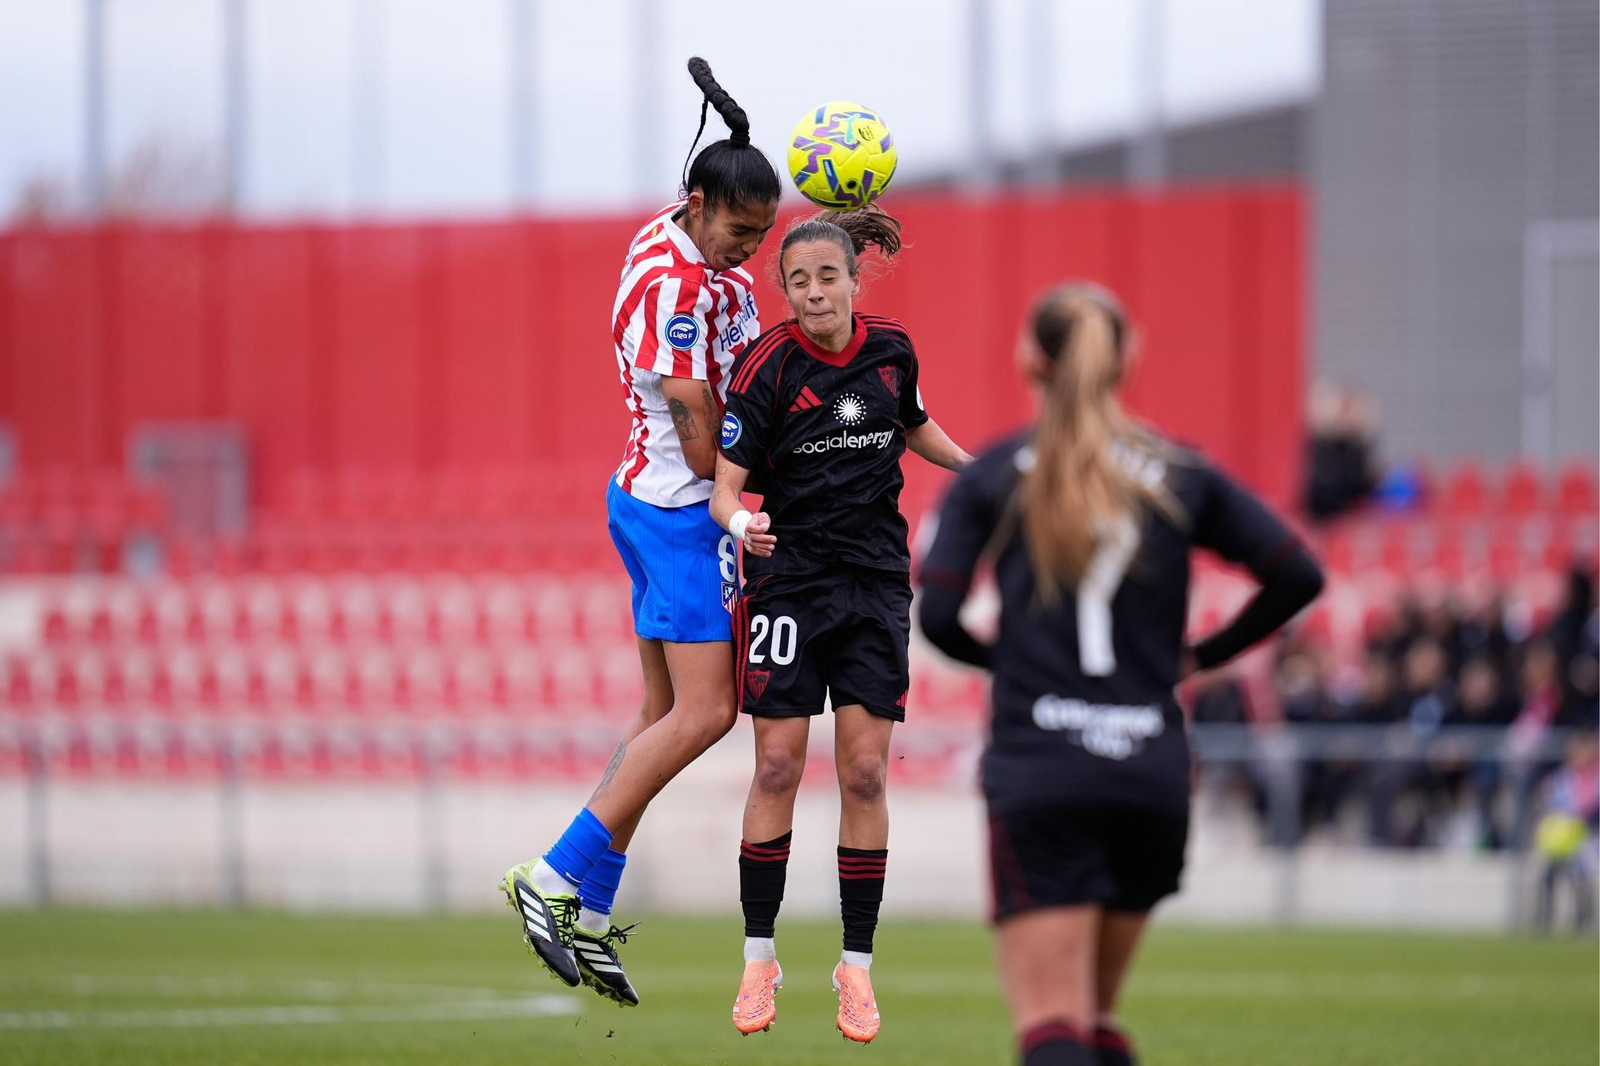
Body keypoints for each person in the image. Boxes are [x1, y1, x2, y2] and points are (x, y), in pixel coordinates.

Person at [917, 282, 1324, 1066]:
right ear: (1128, 356)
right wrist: (1200, 657)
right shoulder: (1180, 474)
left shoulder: (994, 474)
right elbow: (1297, 573)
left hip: (1042, 769)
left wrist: (1014, 664)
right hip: (1150, 770)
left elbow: (936, 617)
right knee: (1097, 1024)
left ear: (1029, 360)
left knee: (1052, 1025)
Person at [499, 57, 781, 1007]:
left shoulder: (683, 245)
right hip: (676, 508)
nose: (746, 250)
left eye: (759, 235)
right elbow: (701, 430)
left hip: (643, 499)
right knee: (710, 713)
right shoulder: (672, 284)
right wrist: (748, 493)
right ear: (697, 202)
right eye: (738, 231)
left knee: (661, 713)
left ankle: (588, 897)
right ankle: (550, 874)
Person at [709, 208, 971, 1042]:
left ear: (855, 282)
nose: (814, 292)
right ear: (784, 293)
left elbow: (915, 424)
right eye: (798, 281)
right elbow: (726, 487)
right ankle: (760, 958)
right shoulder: (766, 368)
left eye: (828, 276)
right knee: (779, 765)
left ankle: (855, 970)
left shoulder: (892, 350)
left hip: (874, 588)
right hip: (788, 583)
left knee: (864, 775)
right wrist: (737, 523)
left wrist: (982, 473)